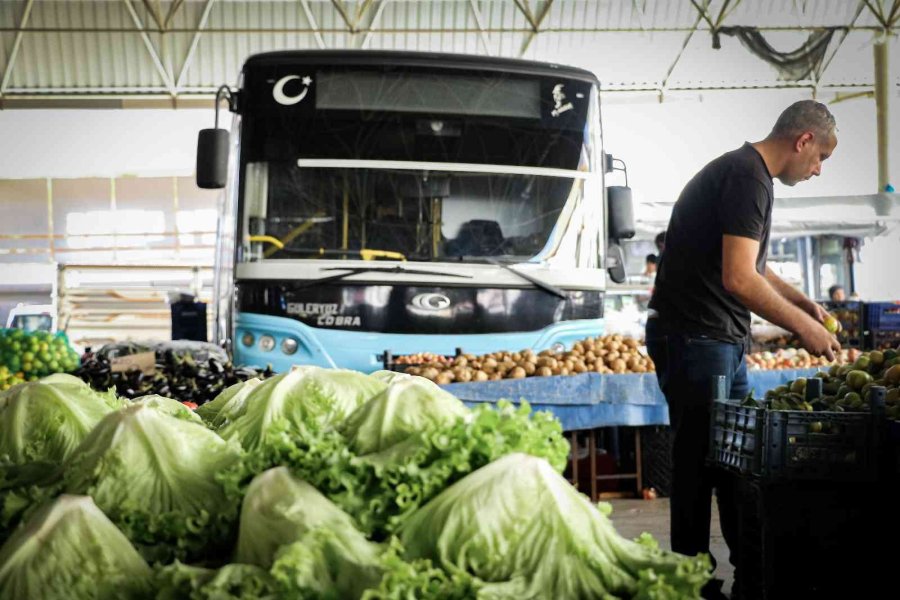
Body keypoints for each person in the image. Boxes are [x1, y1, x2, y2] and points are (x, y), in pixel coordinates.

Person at [645, 100, 841, 600]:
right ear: (803, 141)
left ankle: (749, 575)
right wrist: (803, 329)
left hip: (715, 339)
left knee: (731, 460)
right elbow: (738, 278)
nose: (818, 170)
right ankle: (692, 581)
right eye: (820, 158)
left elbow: (753, 265)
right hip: (697, 337)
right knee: (700, 465)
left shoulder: (747, 174)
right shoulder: (746, 176)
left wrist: (805, 304)